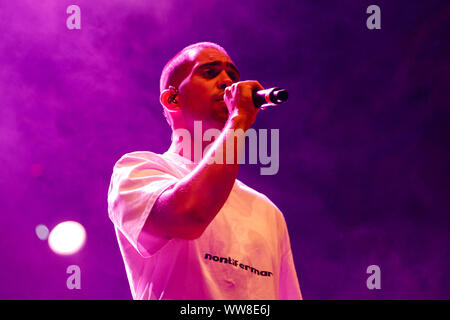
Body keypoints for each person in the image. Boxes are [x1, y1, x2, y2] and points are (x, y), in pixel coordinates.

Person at [107, 42, 302, 299]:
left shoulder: (267, 211)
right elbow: (191, 216)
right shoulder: (137, 171)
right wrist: (239, 118)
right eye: (210, 73)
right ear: (173, 98)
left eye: (232, 76)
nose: (227, 82)